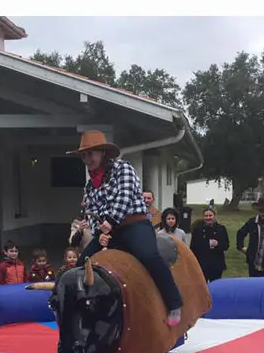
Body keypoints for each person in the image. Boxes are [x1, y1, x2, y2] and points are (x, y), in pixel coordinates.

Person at [69, 131, 183, 326]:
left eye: (91, 154)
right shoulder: (89, 186)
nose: (87, 159)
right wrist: (100, 234)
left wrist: (111, 221)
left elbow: (126, 195)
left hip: (134, 224)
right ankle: (75, 307)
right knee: (82, 263)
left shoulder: (123, 168)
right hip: (109, 230)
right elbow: (93, 212)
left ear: (103, 153)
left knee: (148, 256)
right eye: (84, 155)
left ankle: (174, 303)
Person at [190, 206, 230, 282]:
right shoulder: (198, 229)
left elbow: (226, 245)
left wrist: (218, 244)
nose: (208, 218)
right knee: (201, 286)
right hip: (202, 264)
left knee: (216, 286)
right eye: (206, 216)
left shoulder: (221, 229)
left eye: (210, 215)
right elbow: (193, 247)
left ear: (214, 216)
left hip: (216, 264)